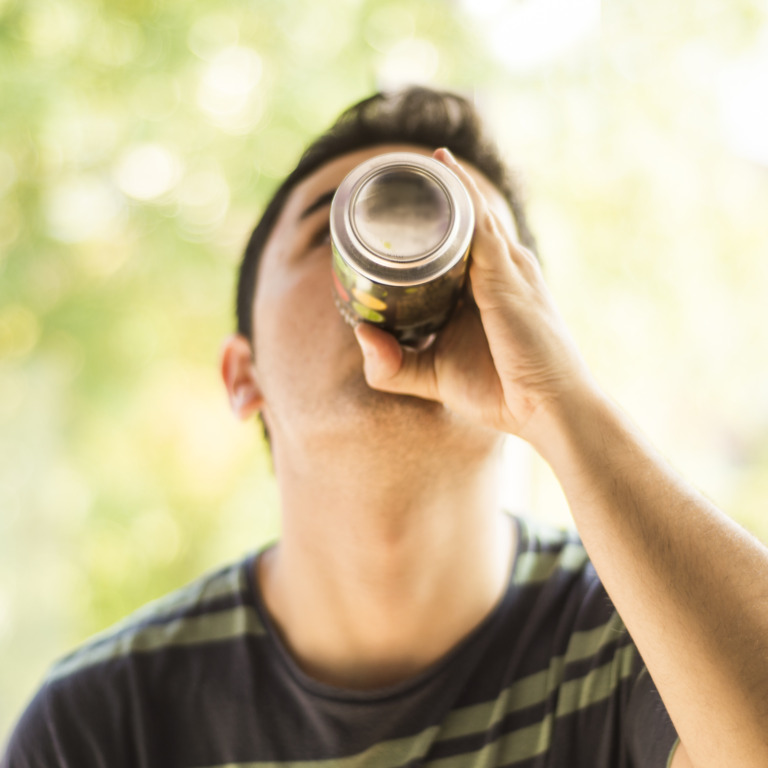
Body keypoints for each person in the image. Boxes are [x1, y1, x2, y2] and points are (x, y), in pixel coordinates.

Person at [3, 87, 767, 768]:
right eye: (332, 232)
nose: (400, 253)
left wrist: (555, 401)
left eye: (463, 239)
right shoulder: (102, 725)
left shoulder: (657, 640)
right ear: (245, 375)